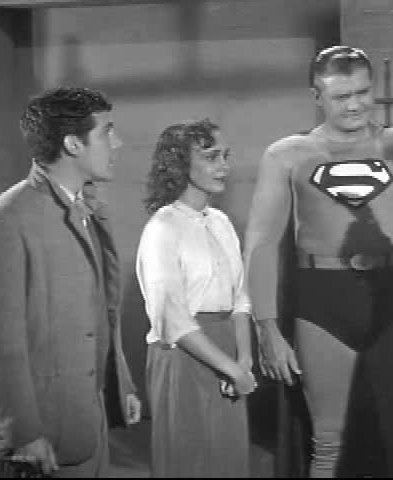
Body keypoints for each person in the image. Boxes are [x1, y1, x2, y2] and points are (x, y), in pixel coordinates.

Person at [243, 45, 393, 477]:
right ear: (317, 97)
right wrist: (267, 328)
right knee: (327, 440)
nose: (354, 105)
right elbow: (261, 244)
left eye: (362, 92)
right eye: (341, 96)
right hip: (323, 301)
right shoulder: (287, 155)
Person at [0, 86, 141, 478]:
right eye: (107, 132)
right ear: (73, 144)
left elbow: (102, 313)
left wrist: (121, 383)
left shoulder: (87, 208)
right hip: (46, 429)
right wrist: (22, 432)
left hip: (89, 417)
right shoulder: (7, 218)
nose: (117, 143)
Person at [136, 119, 257, 478]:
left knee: (228, 460)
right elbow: (171, 317)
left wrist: (243, 360)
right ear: (179, 164)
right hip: (184, 354)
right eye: (211, 157)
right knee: (189, 461)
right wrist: (230, 368)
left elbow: (240, 298)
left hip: (227, 347)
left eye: (226, 156)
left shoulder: (221, 222)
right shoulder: (163, 228)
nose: (224, 166)